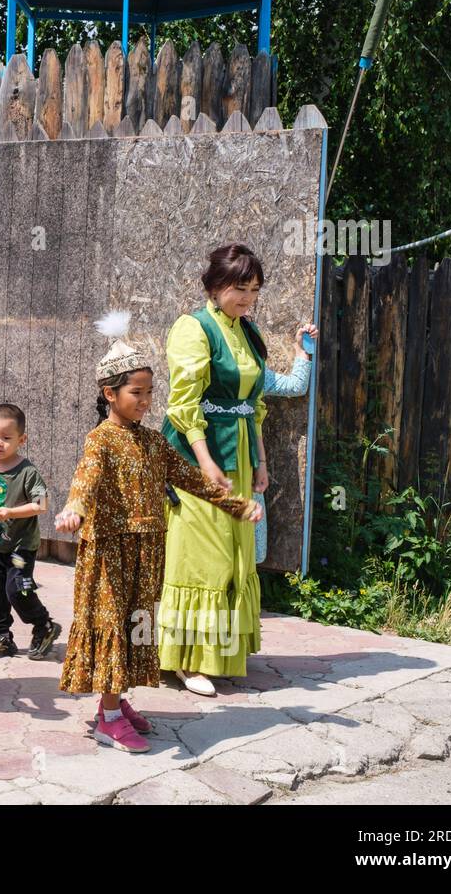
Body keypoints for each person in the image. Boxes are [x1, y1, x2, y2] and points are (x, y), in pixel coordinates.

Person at [55, 331, 260, 752]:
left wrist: (236, 506)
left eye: (150, 392)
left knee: (138, 627)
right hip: (110, 553)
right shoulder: (101, 441)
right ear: (110, 394)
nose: (146, 400)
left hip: (147, 551)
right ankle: (108, 718)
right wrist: (73, 508)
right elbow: (85, 480)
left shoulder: (153, 441)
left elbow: (189, 479)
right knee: (114, 627)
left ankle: (117, 700)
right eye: (137, 392)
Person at [158, 243, 271, 696]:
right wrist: (204, 464)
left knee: (233, 553)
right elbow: (183, 404)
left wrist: (260, 462)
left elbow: (254, 405)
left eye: (255, 290)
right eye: (240, 289)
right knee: (201, 555)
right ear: (216, 285)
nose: (248, 298)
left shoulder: (247, 331)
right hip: (195, 456)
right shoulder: (193, 328)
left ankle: (220, 651)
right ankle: (187, 660)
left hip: (238, 453)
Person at [0, 402, 61, 660]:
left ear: (22, 439)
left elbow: (42, 504)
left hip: (22, 548)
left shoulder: (26, 471)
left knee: (20, 588)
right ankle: (2, 636)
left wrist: (10, 512)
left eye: (7, 438)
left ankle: (44, 625)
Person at [252, 323, 317, 563]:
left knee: (254, 551)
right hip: (221, 461)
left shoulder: (255, 372)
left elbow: (296, 386)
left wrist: (301, 349)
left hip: (250, 459)